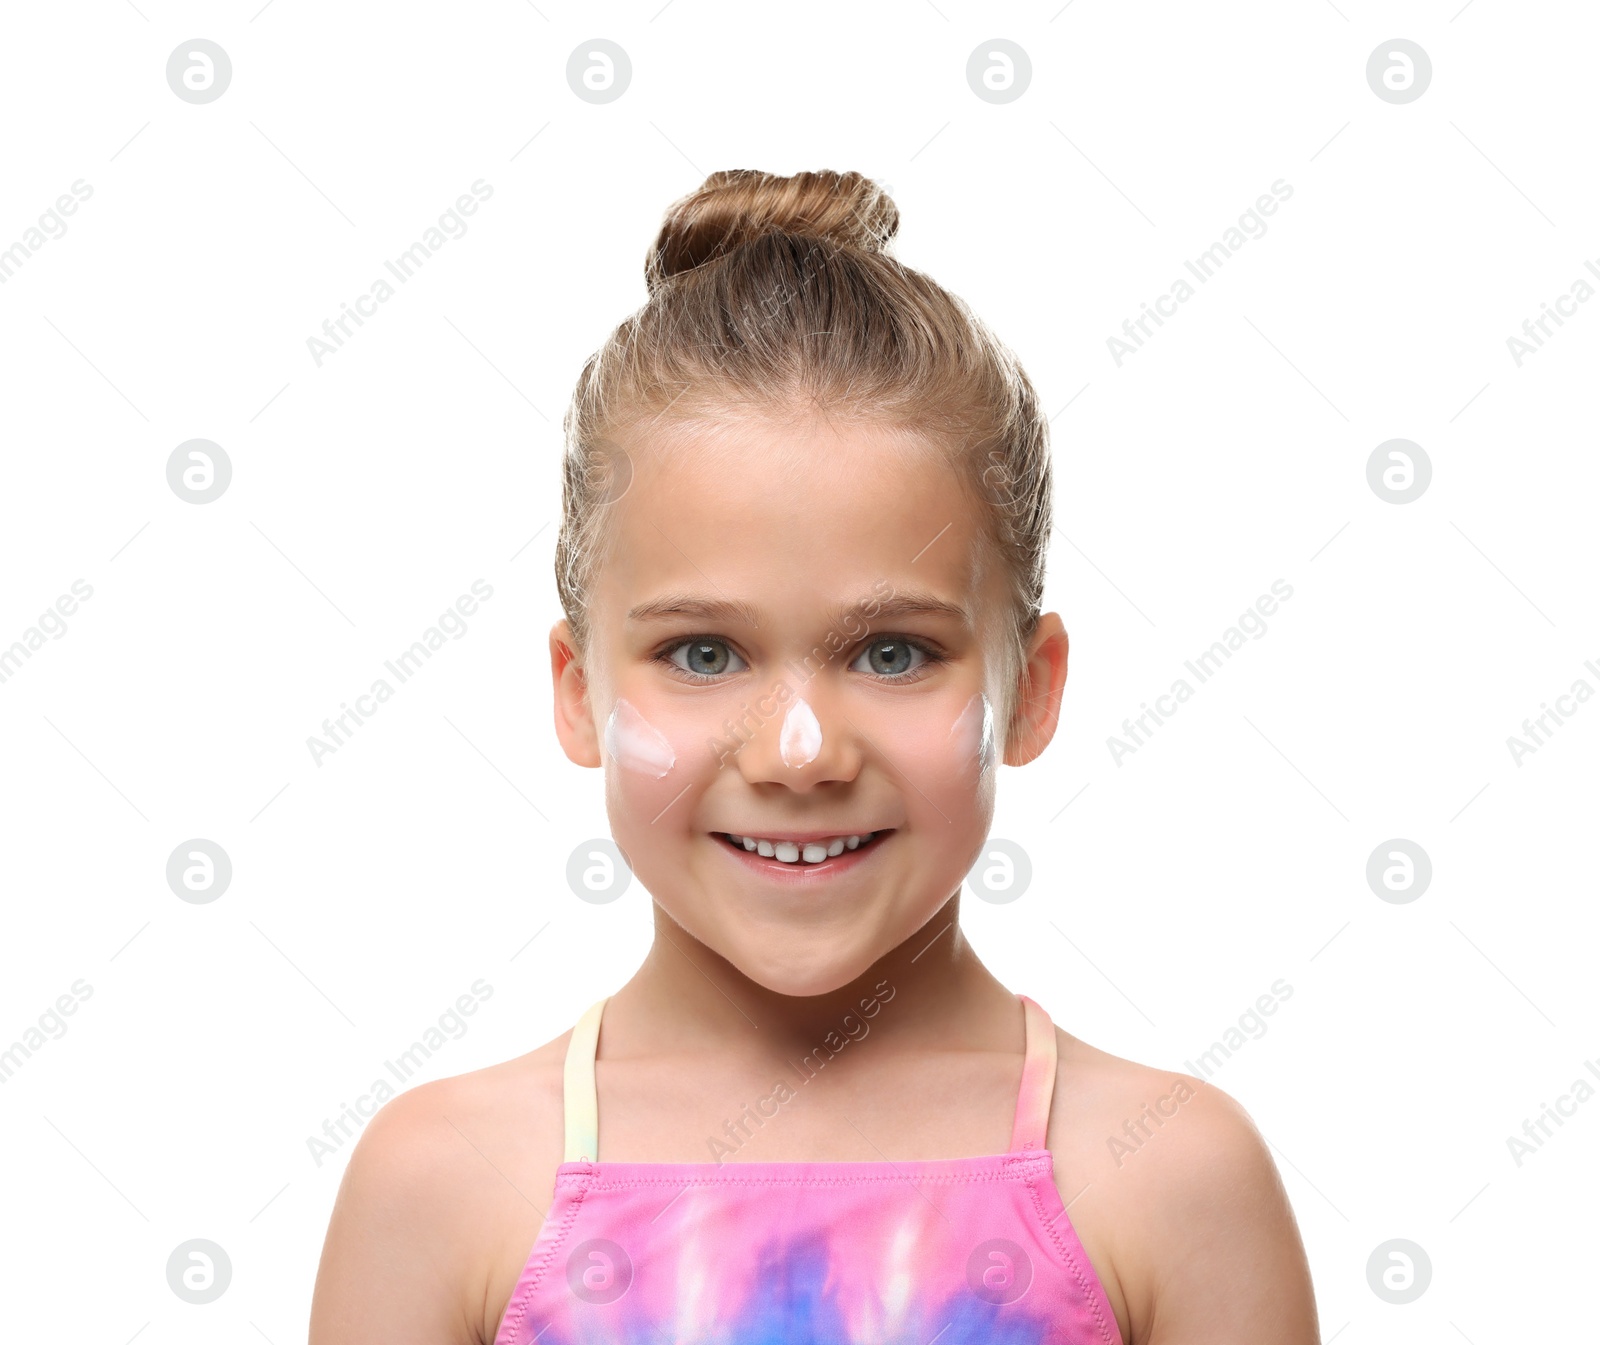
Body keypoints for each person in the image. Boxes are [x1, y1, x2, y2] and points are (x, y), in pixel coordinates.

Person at [308, 168, 1320, 1345]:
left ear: (1029, 689)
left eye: (891, 653)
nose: (799, 752)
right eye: (700, 654)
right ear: (578, 694)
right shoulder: (444, 1185)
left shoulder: (1167, 1180)